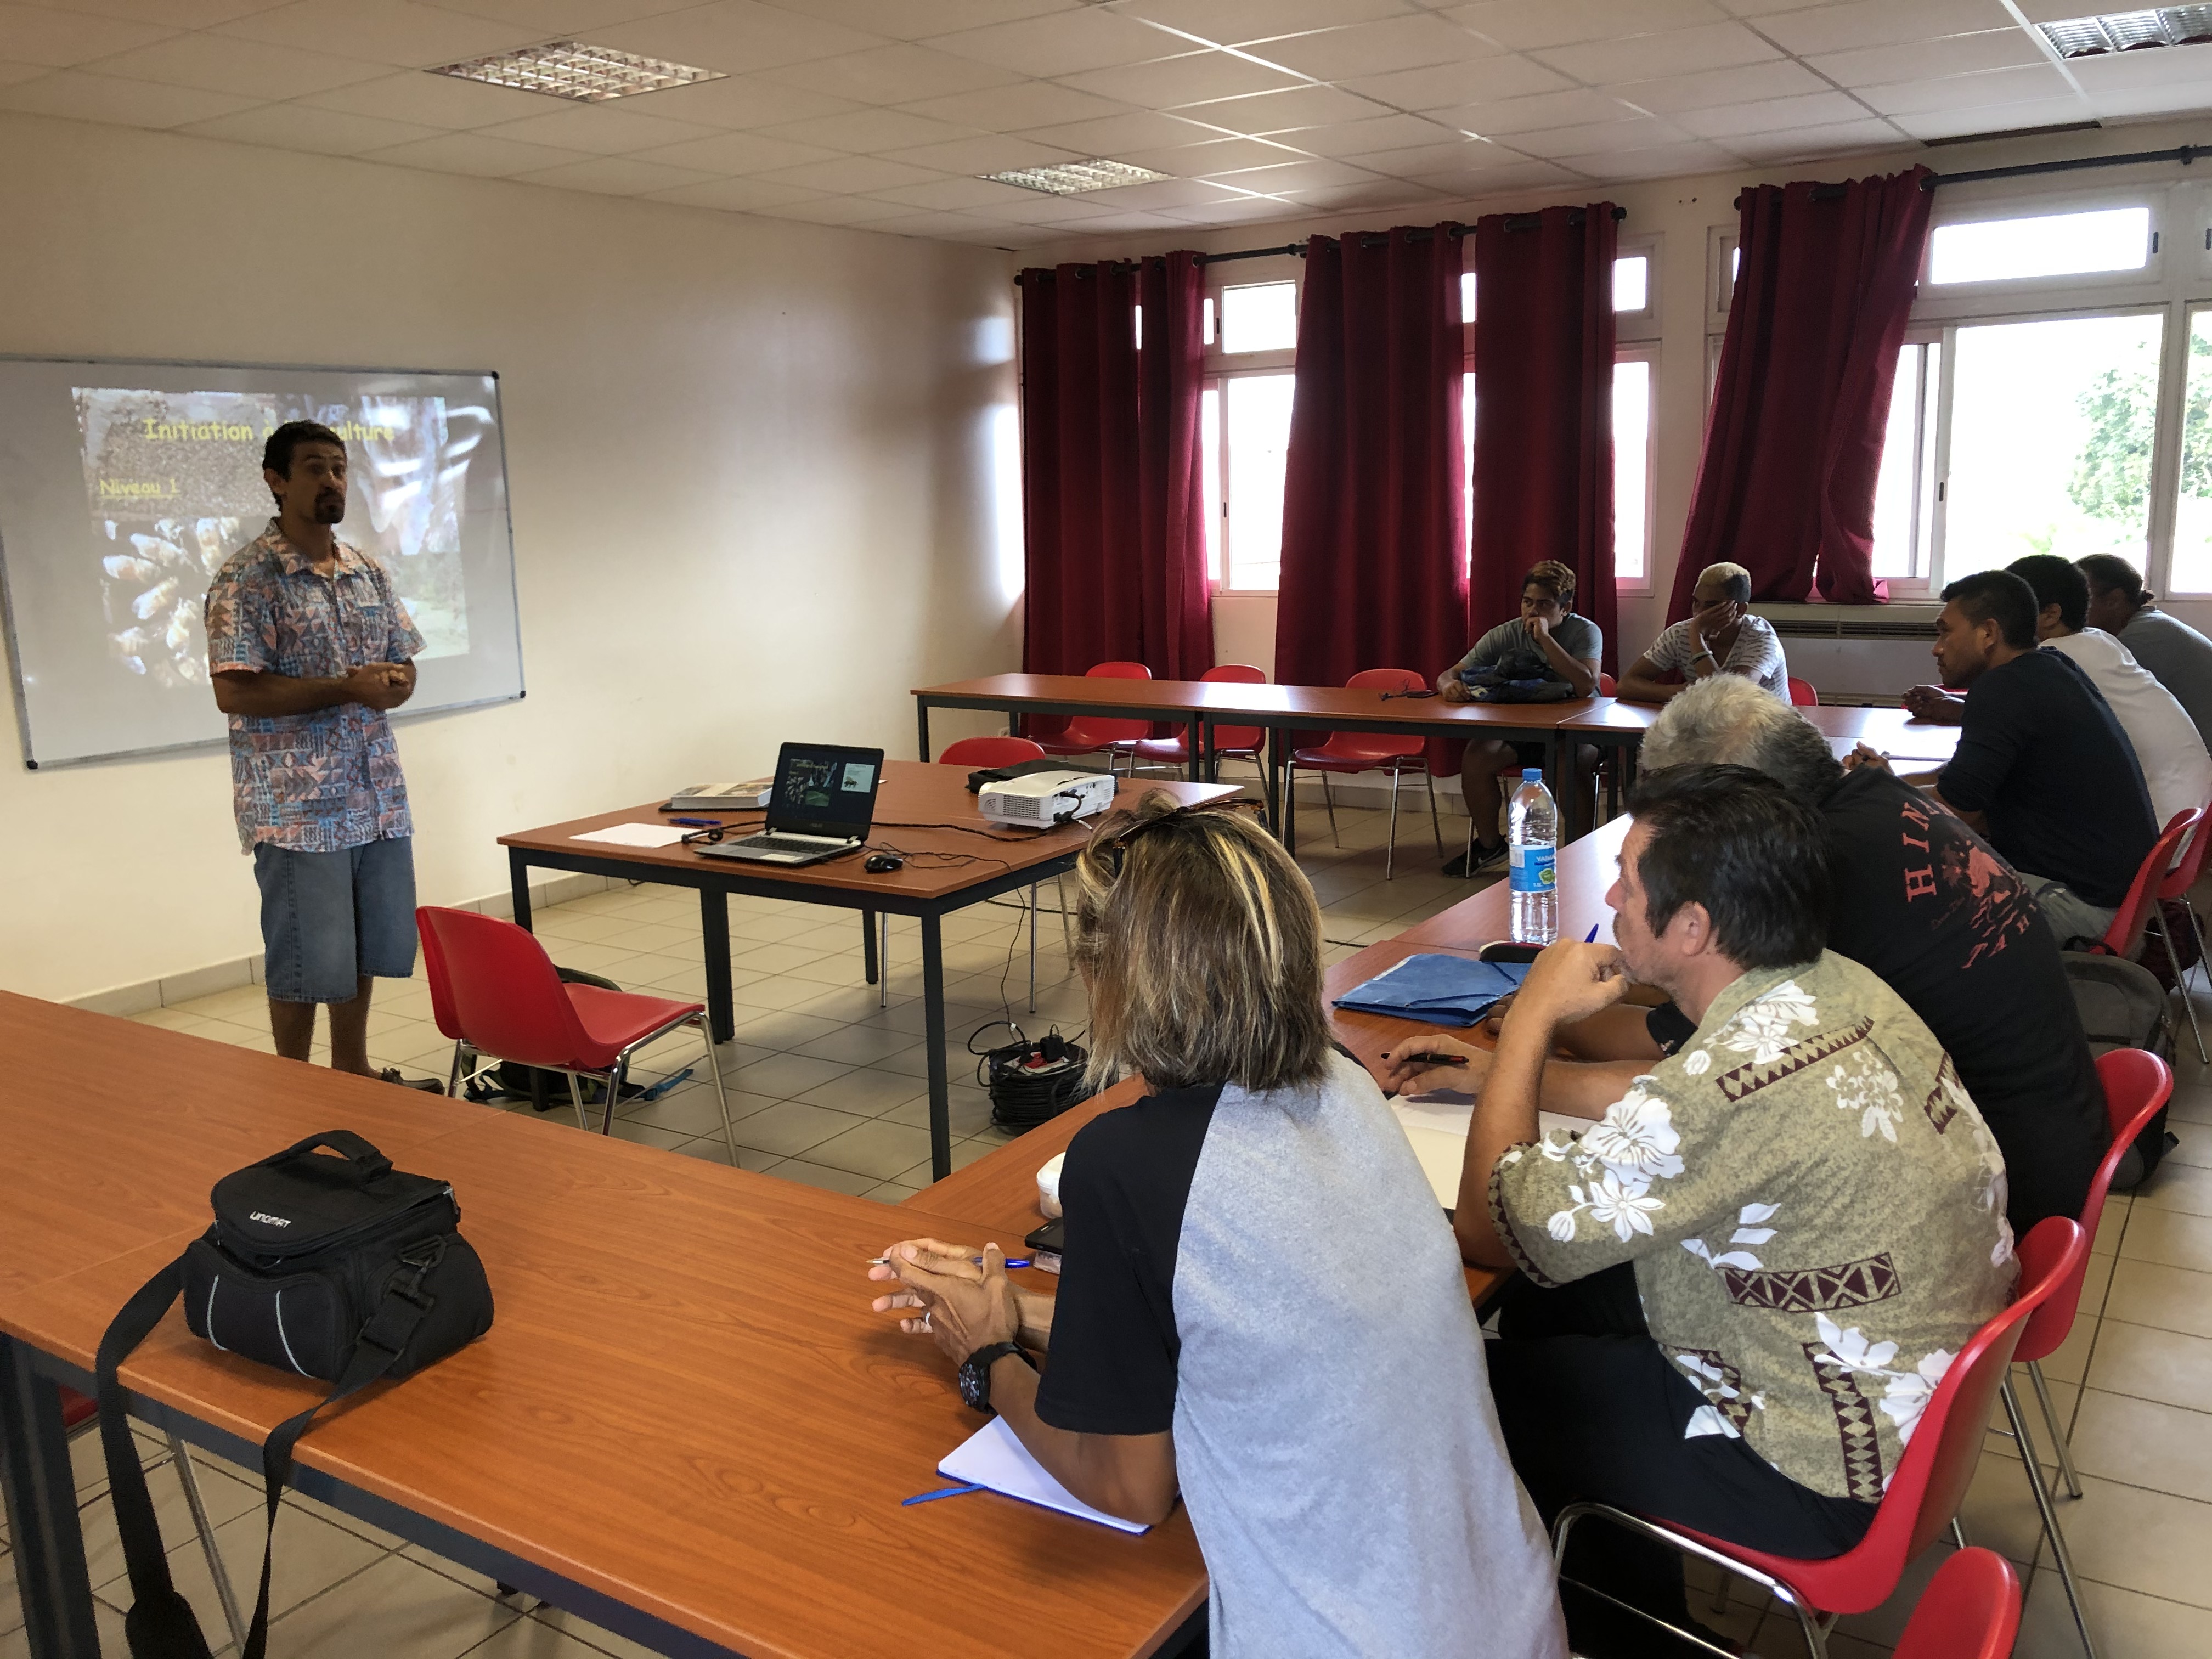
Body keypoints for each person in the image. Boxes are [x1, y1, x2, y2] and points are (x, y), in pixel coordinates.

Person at [866, 795, 1567, 1659]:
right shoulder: (1341, 1077)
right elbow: (1251, 1331)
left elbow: (1129, 1488)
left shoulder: (1125, 1162)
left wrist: (985, 1357)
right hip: (1513, 1611)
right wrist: (1023, 1311)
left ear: (1112, 975)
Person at [1383, 765, 2015, 1657]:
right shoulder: (1836, 985)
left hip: (1818, 1467)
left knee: (1462, 1389)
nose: (1607, 895)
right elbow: (1688, 1113)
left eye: (1628, 881)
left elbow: (1493, 1226)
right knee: (1543, 1305)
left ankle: (1618, 1629)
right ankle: (1621, 1576)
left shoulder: (1725, 1087)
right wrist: (1504, 1070)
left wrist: (1528, 1018)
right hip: (1897, 1397)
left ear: (1691, 926)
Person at [1437, 674, 2102, 1235]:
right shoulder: (1872, 800)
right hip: (2033, 1135)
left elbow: (1680, 1069)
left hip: (2000, 1190)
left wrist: (1529, 1037)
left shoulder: (1809, 874)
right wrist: (1635, 975)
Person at [204, 420, 437, 1090]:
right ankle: (295, 1092)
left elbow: (403, 664)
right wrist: (345, 687)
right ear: (276, 482)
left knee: (362, 945)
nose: (331, 480)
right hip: (300, 811)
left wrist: (396, 685)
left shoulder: (366, 570)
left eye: (338, 468)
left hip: (376, 799)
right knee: (307, 956)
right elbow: (233, 690)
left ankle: (352, 1072)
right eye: (313, 468)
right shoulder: (247, 578)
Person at [1906, 571, 2159, 947]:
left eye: (1945, 632)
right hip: (2122, 899)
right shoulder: (2053, 668)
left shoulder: (2001, 689)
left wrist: (1876, 794)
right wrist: (1884, 780)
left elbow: (1959, 810)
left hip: (2082, 909)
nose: (1937, 649)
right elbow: (1961, 780)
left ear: (1988, 633)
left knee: (1905, 902)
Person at [1903, 555, 2209, 831]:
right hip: (2179, 812)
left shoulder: (2046, 662)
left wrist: (1878, 789)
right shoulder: (2093, 642)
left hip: (2153, 823)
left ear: (2049, 615)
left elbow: (1962, 805)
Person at [1437, 558, 1602, 873]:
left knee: (1570, 764)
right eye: (1528, 602)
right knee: (1477, 755)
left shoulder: (1585, 632)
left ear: (1565, 608)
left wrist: (1546, 640)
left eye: (1544, 604)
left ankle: (1580, 853)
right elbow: (1451, 672)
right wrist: (1449, 686)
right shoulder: (1505, 633)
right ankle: (1490, 845)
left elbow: (1585, 685)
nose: (1532, 611)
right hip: (1523, 729)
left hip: (1576, 729)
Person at [2079, 553, 2212, 751]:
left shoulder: (2140, 638)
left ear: (2114, 600)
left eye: (2082, 599)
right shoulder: (2150, 625)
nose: (2073, 609)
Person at [1617, 561, 1790, 703]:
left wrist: (1696, 636)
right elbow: (1626, 685)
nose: (1699, 614)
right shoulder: (1680, 633)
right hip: (1713, 731)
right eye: (1696, 603)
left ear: (1740, 609)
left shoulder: (1761, 637)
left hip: (1769, 733)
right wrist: (1681, 691)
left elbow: (1726, 698)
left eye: (1711, 605)